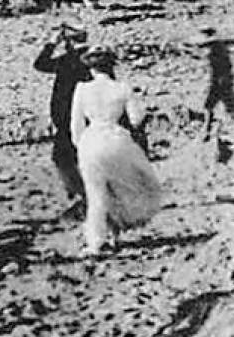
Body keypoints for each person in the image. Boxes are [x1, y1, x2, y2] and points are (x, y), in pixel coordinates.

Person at [70, 47, 163, 257]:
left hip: (91, 140)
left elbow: (76, 125)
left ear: (91, 68)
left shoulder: (82, 89)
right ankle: (115, 235)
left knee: (96, 194)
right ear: (111, 66)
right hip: (116, 140)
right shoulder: (122, 88)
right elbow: (137, 118)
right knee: (119, 189)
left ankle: (95, 242)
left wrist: (81, 146)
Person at [33, 24, 92, 216]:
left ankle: (84, 197)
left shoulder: (68, 60)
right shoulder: (93, 59)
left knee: (63, 159)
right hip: (84, 118)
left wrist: (51, 44)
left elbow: (40, 64)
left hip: (67, 120)